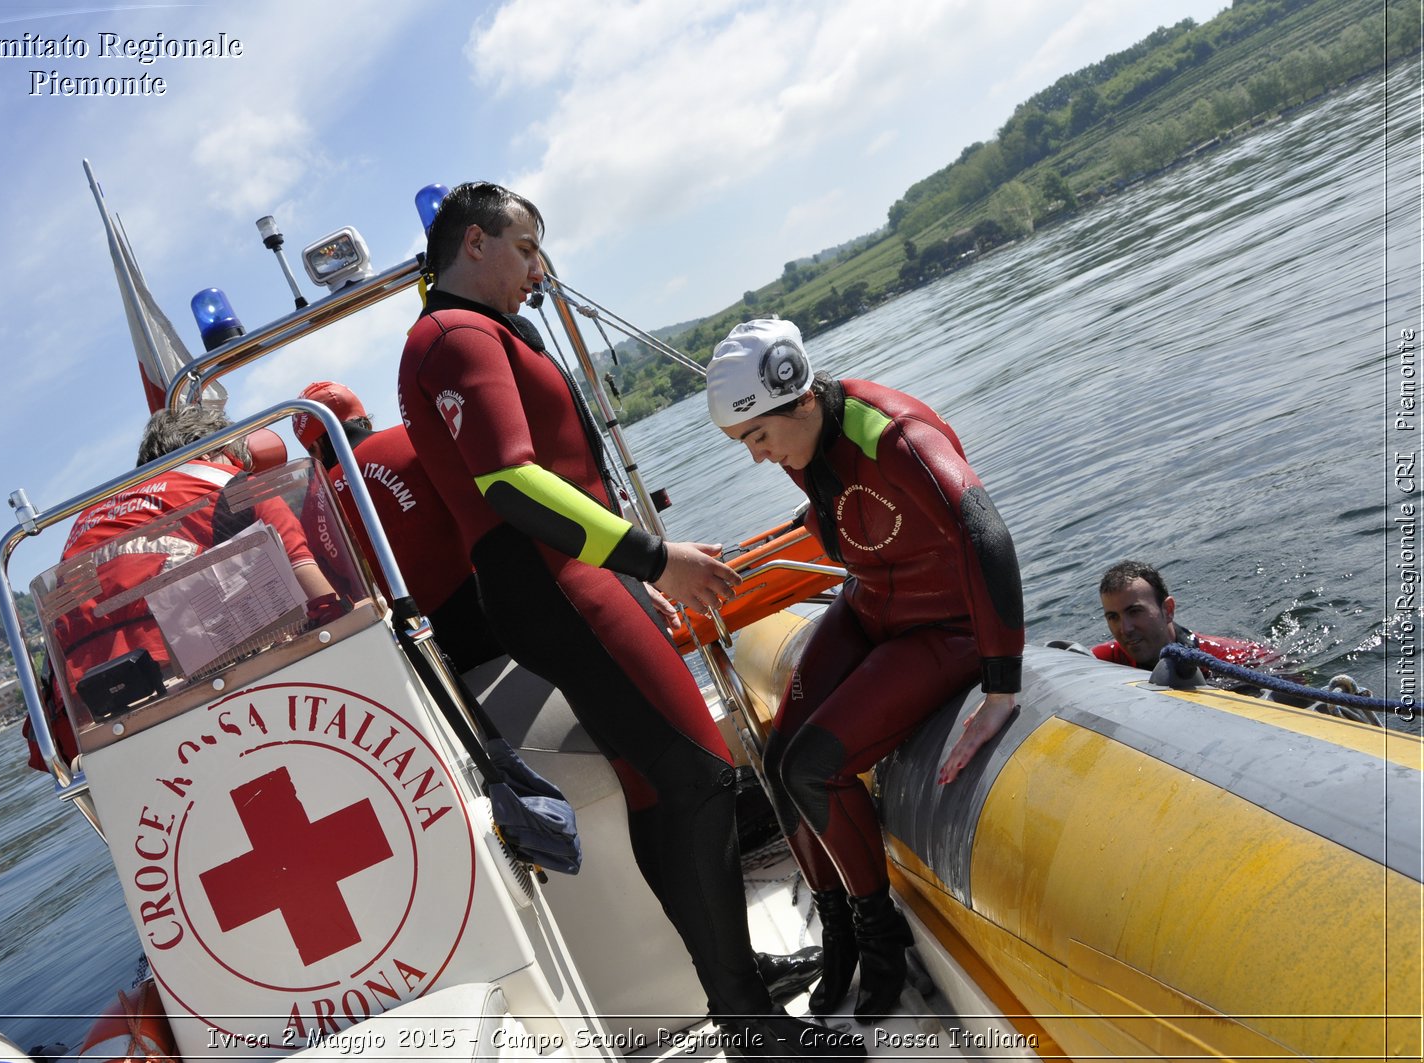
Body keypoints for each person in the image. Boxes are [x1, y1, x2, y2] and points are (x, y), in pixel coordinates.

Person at [397, 182, 856, 1059]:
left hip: (563, 580)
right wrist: (655, 556)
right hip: (559, 583)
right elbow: (511, 480)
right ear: (476, 243)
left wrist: (626, 568)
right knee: (700, 776)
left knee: (658, 786)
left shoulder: (462, 335)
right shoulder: (455, 337)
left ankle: (736, 993)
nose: (540, 267)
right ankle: (749, 1021)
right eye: (527, 248)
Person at [705, 318, 1025, 1022]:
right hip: (870, 606)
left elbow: (987, 532)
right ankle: (839, 927)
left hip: (944, 627)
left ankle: (881, 933)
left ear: (800, 398)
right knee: (778, 755)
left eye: (759, 437)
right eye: (746, 445)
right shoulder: (804, 440)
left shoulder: (894, 436)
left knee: (814, 766)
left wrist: (1002, 687)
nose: (759, 457)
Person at [25, 405, 337, 772]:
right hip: (213, 710)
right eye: (234, 458)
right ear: (214, 451)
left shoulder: (84, 523)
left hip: (101, 742)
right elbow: (319, 594)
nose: (237, 467)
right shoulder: (228, 485)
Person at [292, 381, 503, 672]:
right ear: (363, 417)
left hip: (411, 655)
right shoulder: (413, 440)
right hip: (489, 617)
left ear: (314, 446)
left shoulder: (312, 507)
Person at [1094, 559, 1282, 678]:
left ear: (1168, 610)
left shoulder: (1230, 659)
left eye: (1135, 612)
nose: (1125, 628)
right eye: (1113, 617)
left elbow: (1281, 667)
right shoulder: (1107, 658)